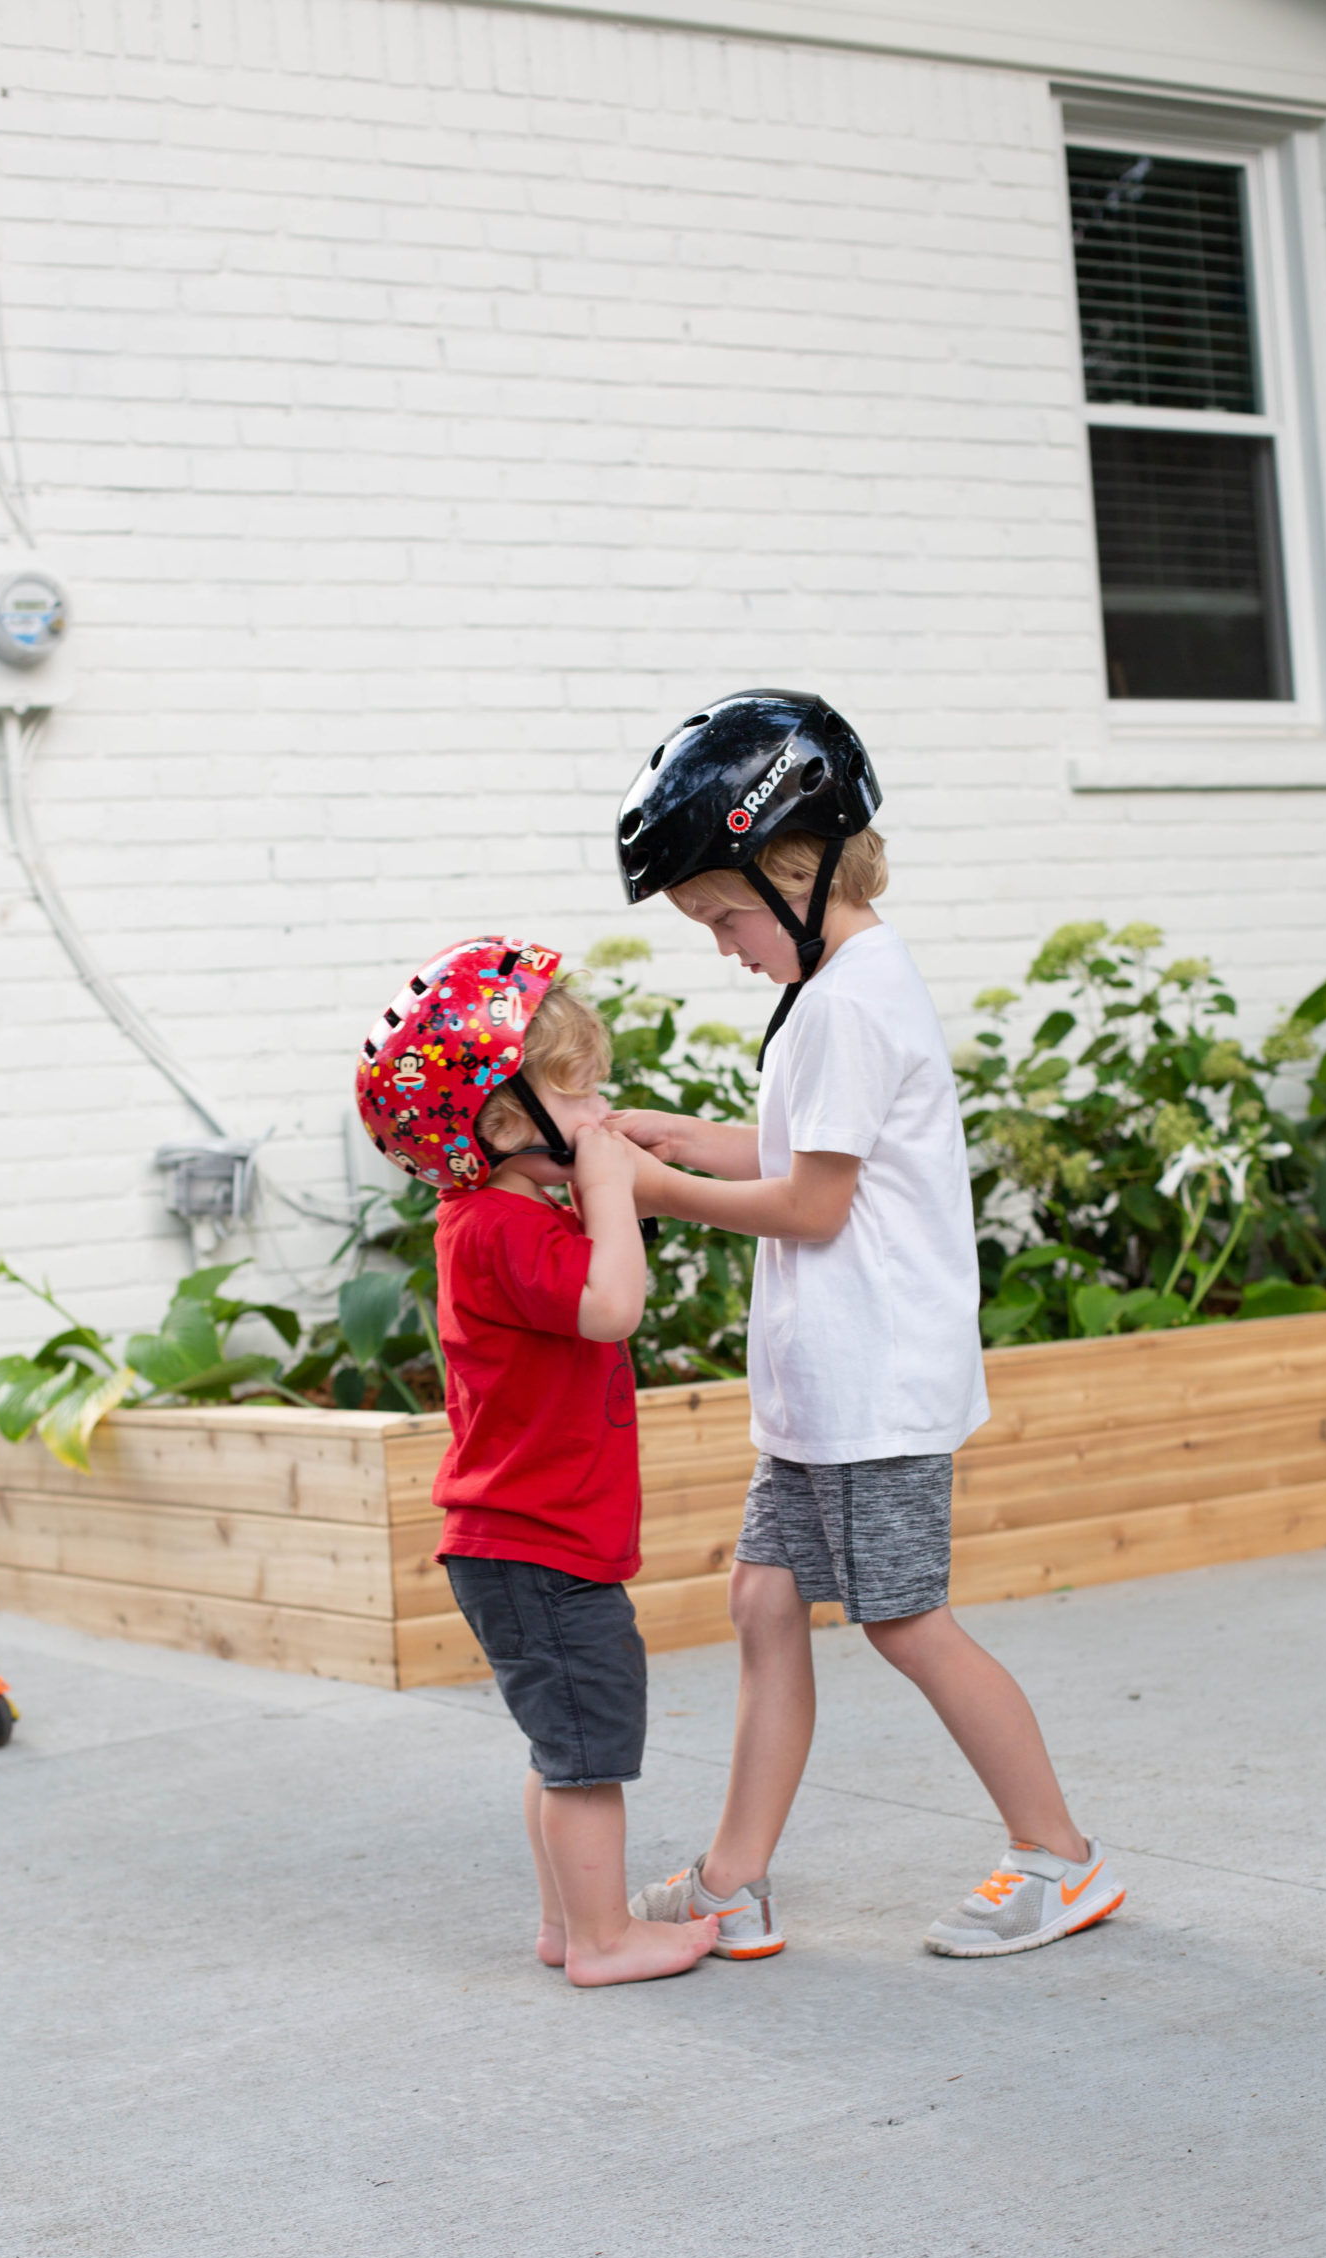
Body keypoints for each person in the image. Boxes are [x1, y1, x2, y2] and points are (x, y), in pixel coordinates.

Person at [608, 691, 1125, 1960]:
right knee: (762, 1600)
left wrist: (657, 1190)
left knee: (905, 1620)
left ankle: (1059, 1856)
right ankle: (733, 1880)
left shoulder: (847, 1001)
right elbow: (805, 1151)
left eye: (723, 917)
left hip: (875, 1385)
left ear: (794, 872)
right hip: (826, 1388)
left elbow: (813, 1204)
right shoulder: (838, 986)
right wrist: (682, 1137)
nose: (723, 947)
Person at [355, 936, 719, 1986]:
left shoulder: (506, 1214)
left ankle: (570, 1923)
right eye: (580, 1092)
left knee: (565, 1750)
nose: (600, 1111)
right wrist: (606, 1186)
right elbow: (613, 1305)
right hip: (537, 1546)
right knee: (588, 1757)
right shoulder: (495, 1229)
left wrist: (610, 1175)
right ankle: (604, 1940)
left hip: (536, 1542)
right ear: (506, 1123)